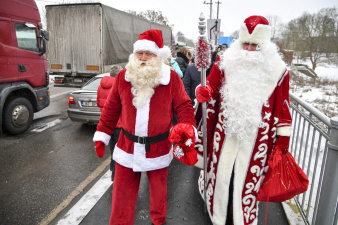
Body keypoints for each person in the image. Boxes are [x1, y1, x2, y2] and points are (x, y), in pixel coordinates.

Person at [195, 15, 292, 225]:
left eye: (254, 45)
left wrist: (282, 140)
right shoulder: (225, 62)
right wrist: (204, 91)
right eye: (245, 43)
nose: (248, 49)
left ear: (265, 45)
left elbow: (283, 108)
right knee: (222, 178)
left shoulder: (279, 72)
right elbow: (211, 85)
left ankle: (240, 218)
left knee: (247, 182)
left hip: (257, 141)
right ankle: (219, 214)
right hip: (226, 135)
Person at [93, 29, 197, 225]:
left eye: (148, 53)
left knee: (159, 192)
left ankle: (159, 220)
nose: (143, 58)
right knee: (121, 196)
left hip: (158, 147)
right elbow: (111, 109)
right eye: (139, 53)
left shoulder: (171, 78)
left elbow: (183, 105)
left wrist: (186, 127)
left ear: (157, 55)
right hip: (126, 146)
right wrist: (102, 134)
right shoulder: (124, 76)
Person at [96, 65, 123, 181]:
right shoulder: (119, 87)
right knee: (120, 151)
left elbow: (98, 103)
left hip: (107, 124)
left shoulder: (101, 86)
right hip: (119, 124)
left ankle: (113, 171)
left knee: (112, 149)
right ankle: (116, 175)